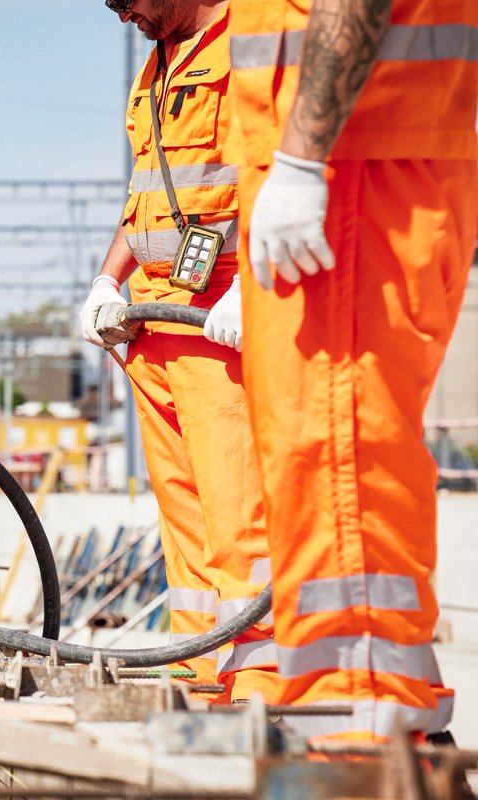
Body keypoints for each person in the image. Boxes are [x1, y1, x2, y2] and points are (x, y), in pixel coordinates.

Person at [227, 0, 478, 742]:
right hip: (344, 152)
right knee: (318, 458)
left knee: (336, 455)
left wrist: (302, 157)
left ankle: (359, 735)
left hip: (350, 159)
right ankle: (377, 725)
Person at [81, 0, 280, 702]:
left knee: (237, 509)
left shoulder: (248, 39)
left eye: (126, 0)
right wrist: (109, 279)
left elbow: (275, 168)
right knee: (185, 515)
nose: (122, 15)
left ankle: (257, 672)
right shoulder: (158, 61)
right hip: (155, 324)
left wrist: (254, 281)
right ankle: (201, 666)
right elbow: (144, 197)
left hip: (219, 318)